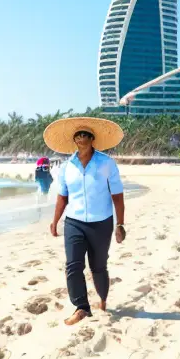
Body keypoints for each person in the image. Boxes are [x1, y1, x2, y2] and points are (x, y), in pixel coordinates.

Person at [45, 117, 126, 326]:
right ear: (74, 140)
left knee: (98, 267)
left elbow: (117, 195)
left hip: (102, 223)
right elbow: (62, 196)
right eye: (78, 135)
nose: (82, 137)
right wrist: (55, 221)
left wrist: (120, 224)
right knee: (73, 265)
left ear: (93, 139)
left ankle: (103, 298)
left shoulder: (106, 163)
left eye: (86, 134)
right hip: (74, 222)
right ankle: (81, 307)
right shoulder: (66, 167)